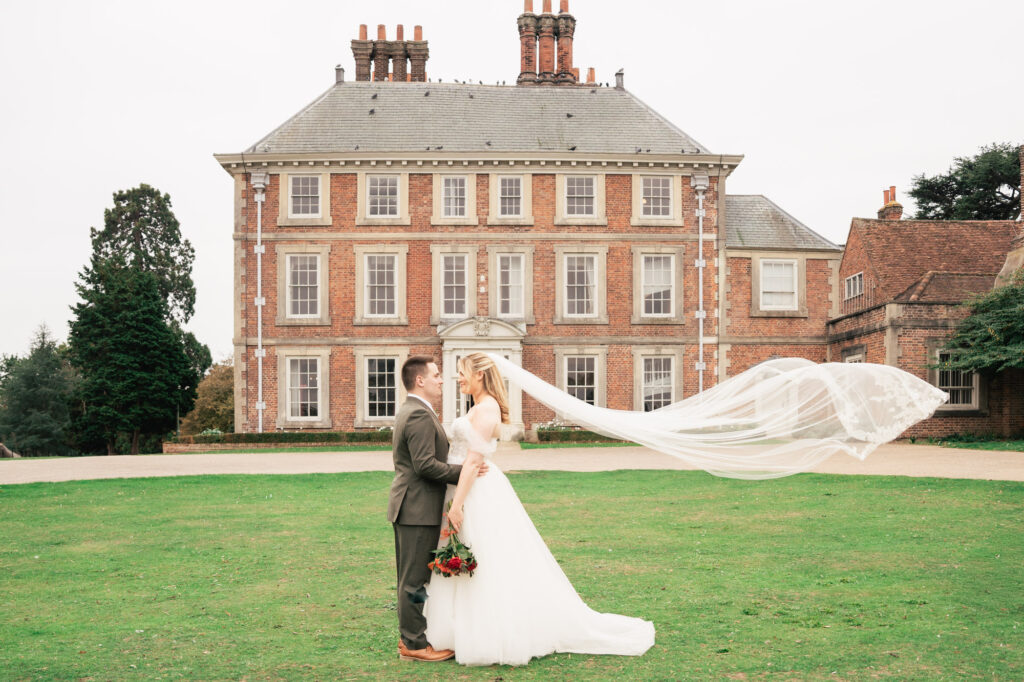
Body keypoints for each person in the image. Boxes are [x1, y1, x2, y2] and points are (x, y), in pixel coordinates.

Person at [423, 353, 656, 666]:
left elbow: (474, 460)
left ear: (480, 375)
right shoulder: (478, 406)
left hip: (475, 493)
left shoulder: (488, 407)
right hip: (464, 488)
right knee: (466, 553)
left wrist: (458, 506)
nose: (458, 378)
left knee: (484, 557)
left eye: (462, 373)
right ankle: (455, 631)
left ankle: (489, 633)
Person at [388, 356, 488, 663]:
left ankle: (416, 637)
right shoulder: (417, 414)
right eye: (436, 375)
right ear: (420, 380)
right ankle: (414, 644)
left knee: (415, 577)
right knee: (413, 579)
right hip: (416, 509)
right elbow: (424, 465)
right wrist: (464, 472)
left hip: (416, 507)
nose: (441, 380)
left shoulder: (416, 410)